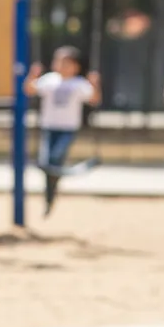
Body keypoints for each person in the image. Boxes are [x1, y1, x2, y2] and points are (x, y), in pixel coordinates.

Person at [24, 46, 102, 216]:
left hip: (68, 128)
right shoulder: (49, 80)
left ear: (76, 67)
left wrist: (95, 85)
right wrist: (33, 75)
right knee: (47, 164)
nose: (62, 66)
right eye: (58, 62)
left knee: (55, 158)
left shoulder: (79, 83)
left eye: (67, 63)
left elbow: (94, 99)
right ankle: (49, 196)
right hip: (49, 127)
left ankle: (51, 193)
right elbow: (29, 90)